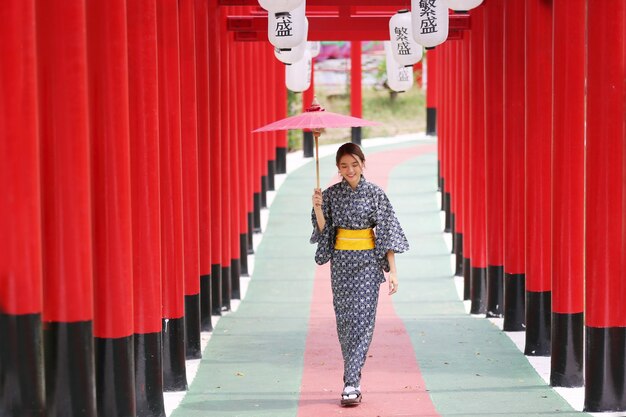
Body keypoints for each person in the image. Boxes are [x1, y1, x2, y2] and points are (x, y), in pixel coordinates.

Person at [310, 142, 409, 406]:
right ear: (338, 168)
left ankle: (351, 382)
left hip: (367, 262)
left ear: (362, 164)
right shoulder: (330, 195)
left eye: (354, 164)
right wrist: (318, 207)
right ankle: (351, 376)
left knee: (363, 321)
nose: (349, 170)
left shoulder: (375, 194)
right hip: (341, 263)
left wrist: (393, 272)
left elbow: (387, 231)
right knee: (345, 321)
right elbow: (324, 230)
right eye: (344, 166)